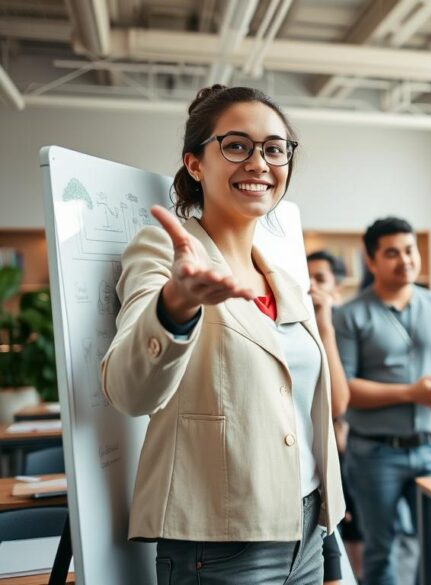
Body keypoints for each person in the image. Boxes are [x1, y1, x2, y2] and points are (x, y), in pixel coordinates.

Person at [100, 85, 346, 584]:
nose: (258, 162)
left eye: (274, 148)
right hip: (217, 547)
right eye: (236, 145)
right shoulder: (166, 253)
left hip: (306, 534)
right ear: (195, 163)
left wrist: (329, 543)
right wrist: (178, 303)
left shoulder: (283, 276)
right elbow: (129, 391)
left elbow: (303, 420)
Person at [335, 216, 431, 585]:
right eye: (392, 253)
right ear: (371, 260)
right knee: (380, 550)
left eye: (410, 250)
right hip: (375, 454)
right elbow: (343, 388)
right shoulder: (349, 314)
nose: (405, 259)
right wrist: (412, 393)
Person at [307, 250, 363, 585]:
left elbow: (341, 400)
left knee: (353, 530)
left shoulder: (341, 326)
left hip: (344, 449)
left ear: (337, 289)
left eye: (320, 279)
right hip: (313, 455)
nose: (310, 286)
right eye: (306, 277)